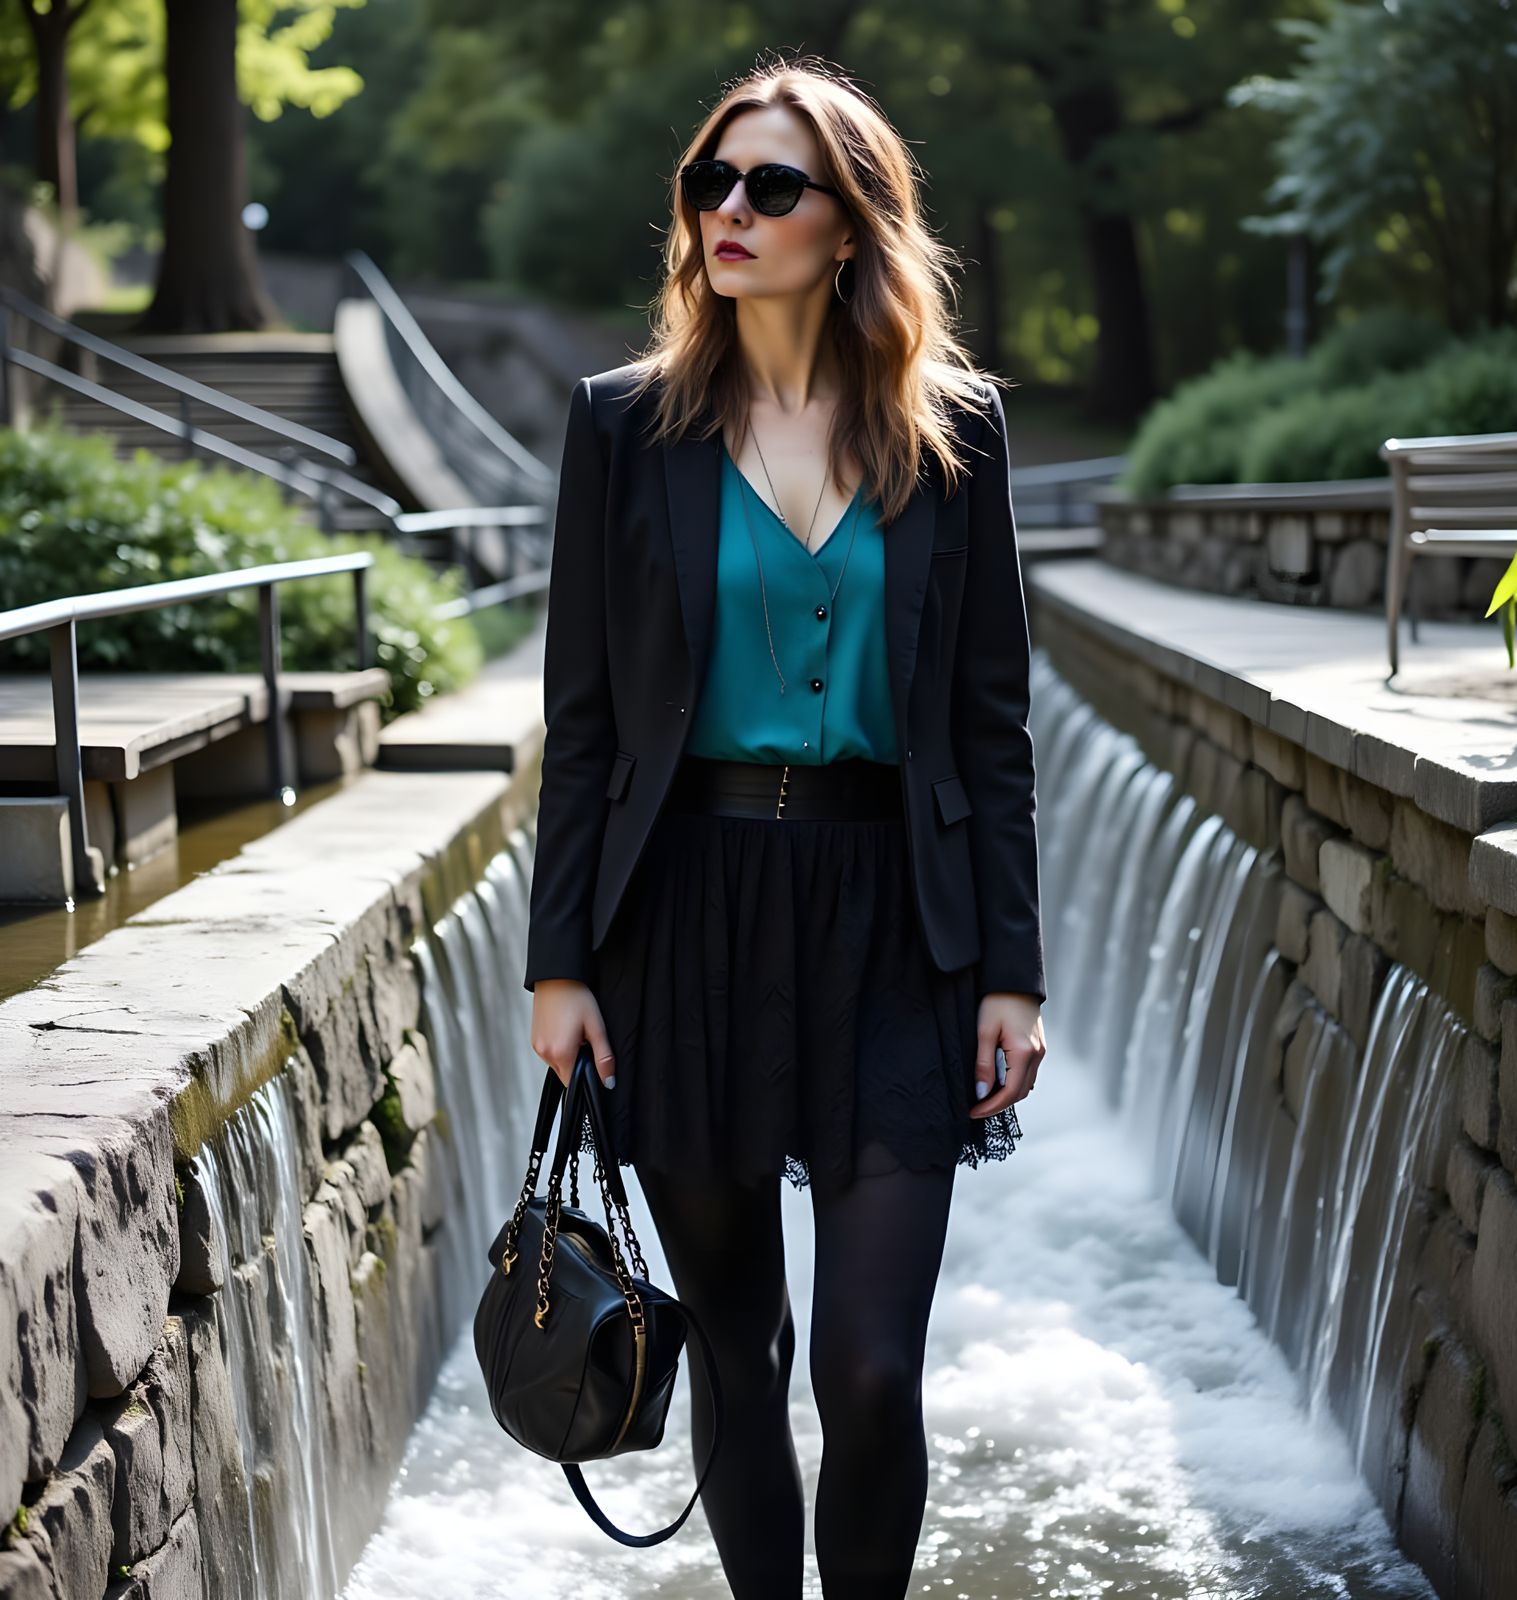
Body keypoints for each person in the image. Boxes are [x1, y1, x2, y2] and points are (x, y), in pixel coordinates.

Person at [524, 54, 1048, 1600]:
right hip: (684, 915)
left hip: (898, 917)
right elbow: (587, 725)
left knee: (870, 1374)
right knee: (741, 1362)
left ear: (852, 222)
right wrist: (561, 963)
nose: (728, 213)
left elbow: (992, 722)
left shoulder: (955, 430)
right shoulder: (624, 428)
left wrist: (1010, 967)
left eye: (771, 186)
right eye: (710, 183)